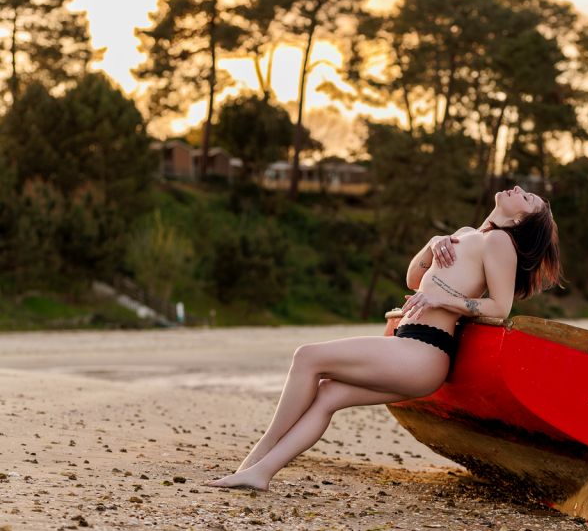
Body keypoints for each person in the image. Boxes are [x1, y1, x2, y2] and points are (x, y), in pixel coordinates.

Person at [205, 185, 562, 491]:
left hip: (425, 350)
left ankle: (257, 455)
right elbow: (412, 279)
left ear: (520, 221)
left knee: (307, 357)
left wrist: (442, 300)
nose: (518, 189)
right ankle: (259, 473)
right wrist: (430, 245)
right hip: (411, 346)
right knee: (328, 393)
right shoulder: (468, 233)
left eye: (527, 198)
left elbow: (499, 308)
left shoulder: (500, 241)